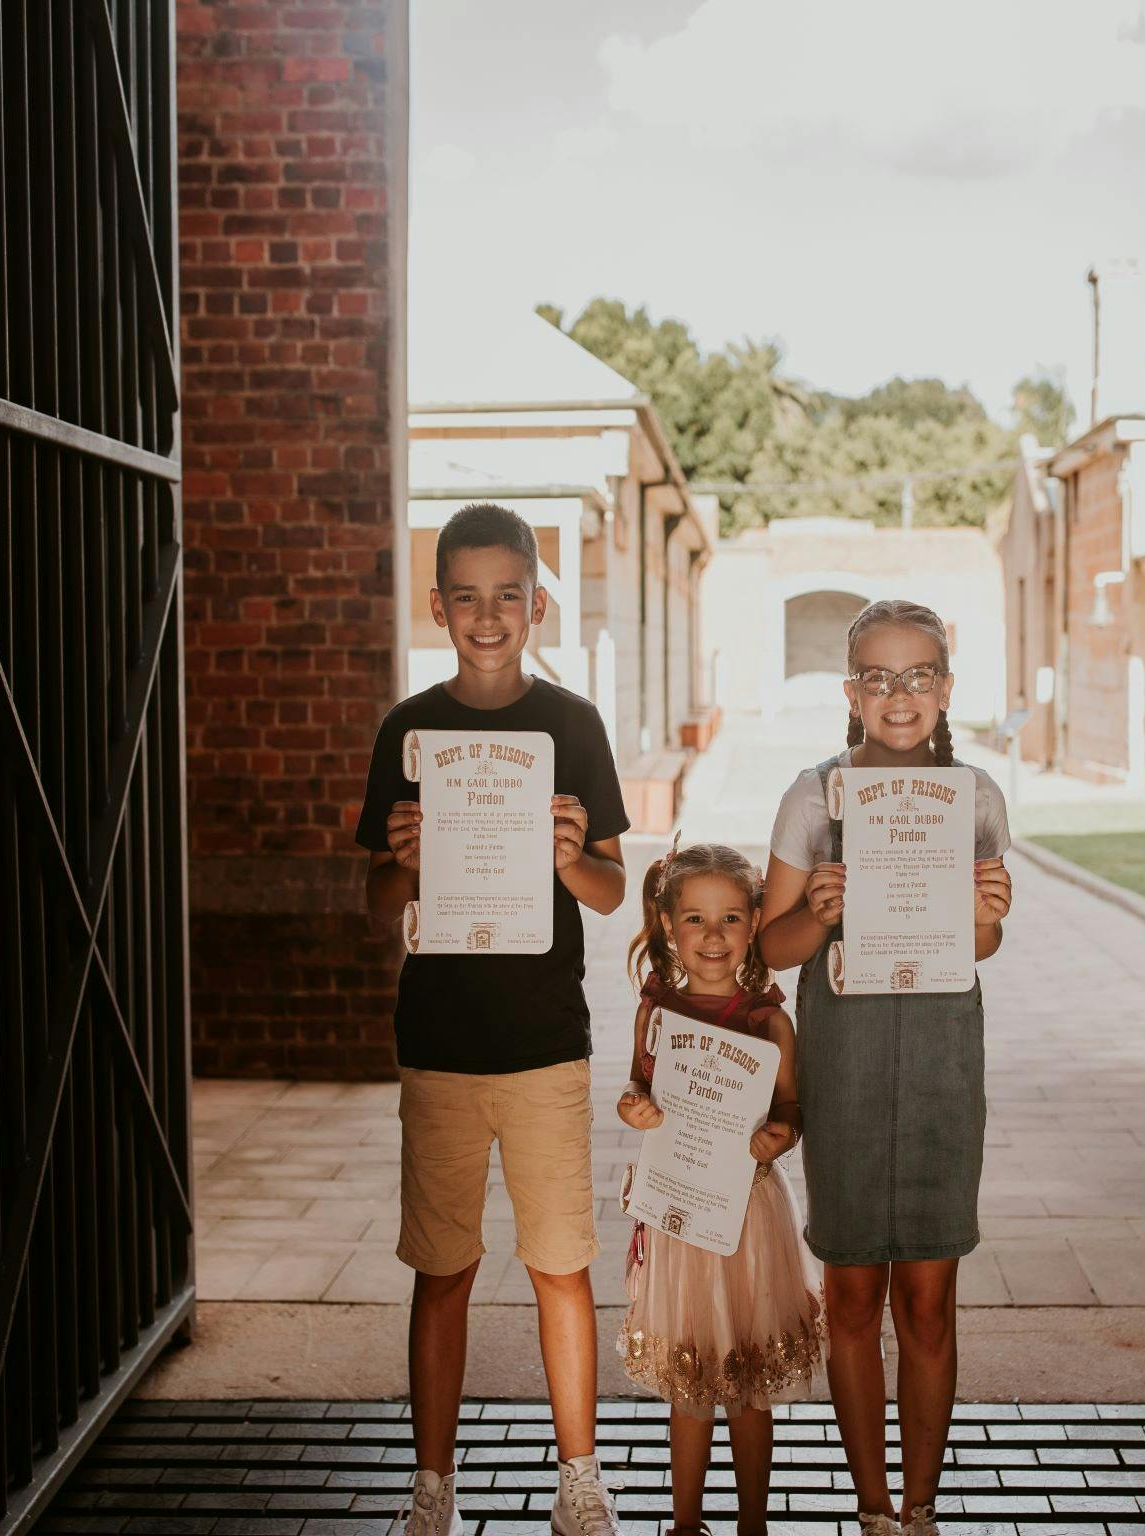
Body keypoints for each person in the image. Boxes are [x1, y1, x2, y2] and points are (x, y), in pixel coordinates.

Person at [358, 503, 631, 1536]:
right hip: (438, 1043)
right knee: (442, 1269)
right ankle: (433, 1483)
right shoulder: (407, 731)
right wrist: (403, 861)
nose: (486, 616)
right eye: (465, 597)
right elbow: (375, 905)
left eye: (506, 595)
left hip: (544, 1042)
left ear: (536, 604)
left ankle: (579, 1474)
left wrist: (569, 858)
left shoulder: (573, 726)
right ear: (437, 607)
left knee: (560, 1264)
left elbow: (611, 889)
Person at [756, 599, 1014, 1536]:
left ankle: (921, 1507)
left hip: (943, 1054)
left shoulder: (975, 797)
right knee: (855, 1292)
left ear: (945, 688)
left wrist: (989, 912)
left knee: (931, 1302)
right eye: (878, 677)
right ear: (851, 691)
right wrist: (817, 912)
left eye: (918, 676)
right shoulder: (812, 797)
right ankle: (872, 1509)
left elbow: (978, 946)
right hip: (847, 1056)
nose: (898, 695)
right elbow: (771, 950)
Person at [616, 842, 823, 1536]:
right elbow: (638, 1084)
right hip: (680, 1209)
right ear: (669, 925)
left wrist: (779, 1135)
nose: (713, 935)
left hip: (748, 1216)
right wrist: (633, 1106)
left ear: (755, 922)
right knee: (691, 1378)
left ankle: (753, 1522)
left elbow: (790, 1108)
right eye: (696, 919)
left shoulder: (769, 1020)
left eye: (730, 918)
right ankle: (684, 1522)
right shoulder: (657, 1012)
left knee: (749, 1382)